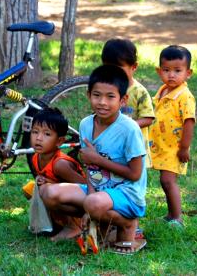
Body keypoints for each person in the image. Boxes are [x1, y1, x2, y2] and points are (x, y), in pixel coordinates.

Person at [41, 65, 147, 254]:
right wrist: (90, 195)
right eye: (97, 95)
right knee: (48, 192)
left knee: (93, 203)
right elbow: (91, 169)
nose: (102, 102)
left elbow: (135, 174)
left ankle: (128, 224)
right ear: (88, 95)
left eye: (110, 97)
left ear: (123, 100)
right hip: (99, 191)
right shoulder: (85, 124)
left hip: (128, 194)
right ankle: (99, 223)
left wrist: (99, 160)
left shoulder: (129, 129)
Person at [101, 38, 154, 239]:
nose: (114, 73)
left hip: (134, 150)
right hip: (114, 150)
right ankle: (112, 221)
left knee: (134, 187)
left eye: (120, 68)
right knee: (114, 182)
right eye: (109, 68)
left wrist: (126, 127)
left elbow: (149, 117)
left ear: (134, 67)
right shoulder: (108, 89)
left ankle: (134, 225)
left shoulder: (139, 91)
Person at [149, 45, 196, 228]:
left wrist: (184, 148)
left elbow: (189, 123)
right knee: (164, 180)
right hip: (161, 144)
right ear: (159, 71)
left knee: (168, 181)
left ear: (188, 73)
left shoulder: (185, 96)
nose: (171, 75)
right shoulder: (163, 90)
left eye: (178, 71)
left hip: (175, 148)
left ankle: (177, 218)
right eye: (167, 70)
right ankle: (170, 214)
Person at [22, 107, 86, 239]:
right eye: (35, 132)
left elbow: (84, 186)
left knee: (45, 190)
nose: (38, 138)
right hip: (57, 198)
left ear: (59, 141)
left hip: (82, 207)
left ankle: (74, 226)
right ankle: (55, 223)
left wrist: (49, 183)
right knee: (29, 189)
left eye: (47, 134)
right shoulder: (36, 157)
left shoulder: (60, 164)